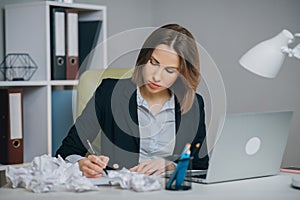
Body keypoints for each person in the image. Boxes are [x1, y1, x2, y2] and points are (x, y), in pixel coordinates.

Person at [56, 24, 209, 178]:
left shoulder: (194, 104)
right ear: (144, 59)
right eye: (153, 62)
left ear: (181, 74)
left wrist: (170, 166)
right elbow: (67, 152)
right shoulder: (109, 93)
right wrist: (81, 164)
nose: (156, 76)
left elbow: (200, 166)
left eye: (169, 70)